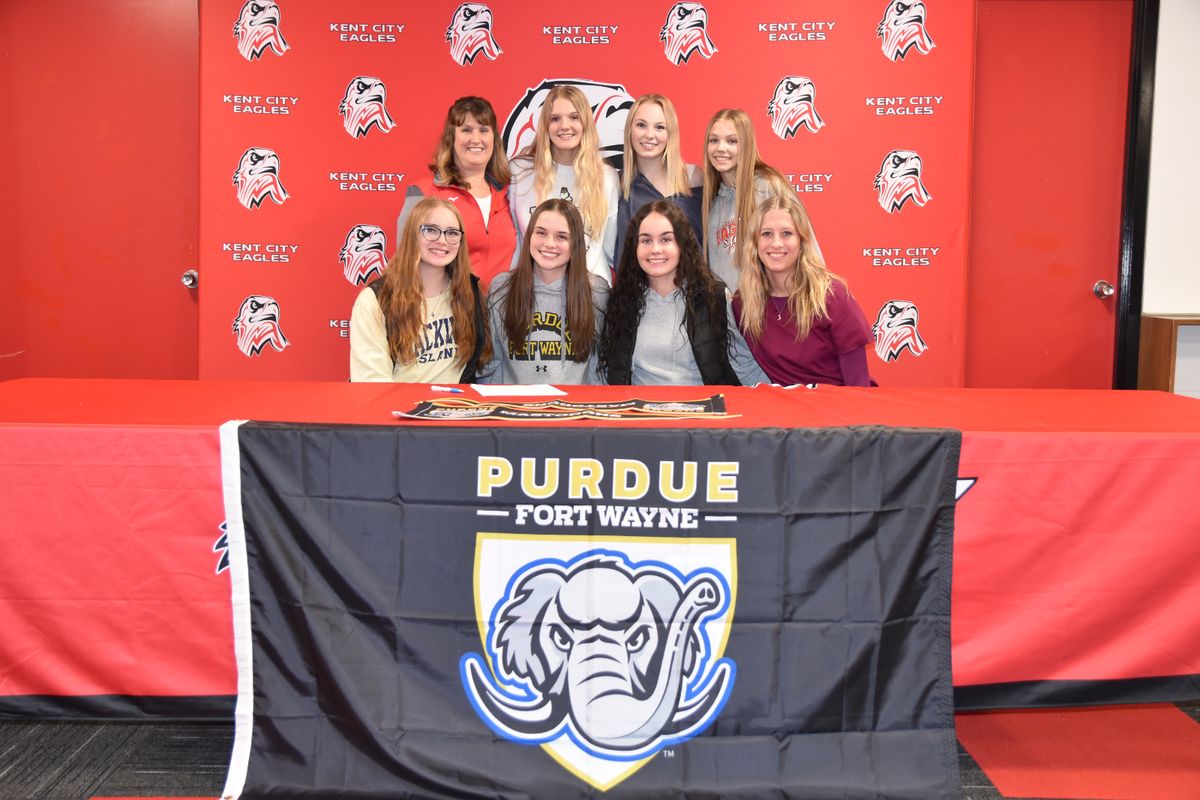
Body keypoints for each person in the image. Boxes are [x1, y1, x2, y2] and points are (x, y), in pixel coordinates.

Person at [598, 200, 766, 386]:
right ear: (634, 248)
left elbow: (744, 366)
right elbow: (608, 375)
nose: (655, 249)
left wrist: (777, 402)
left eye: (666, 239)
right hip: (641, 413)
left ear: (682, 245)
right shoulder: (620, 304)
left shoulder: (714, 300)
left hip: (702, 412)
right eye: (646, 240)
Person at [734, 196, 873, 386]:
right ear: (754, 243)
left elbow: (858, 383)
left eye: (786, 233)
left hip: (836, 407)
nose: (776, 243)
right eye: (766, 234)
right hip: (784, 411)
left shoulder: (831, 296)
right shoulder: (744, 303)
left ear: (802, 241)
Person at [351, 197, 489, 382]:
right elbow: (372, 384)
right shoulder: (376, 300)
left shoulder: (469, 292)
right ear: (412, 234)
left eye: (452, 233)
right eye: (430, 230)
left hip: (454, 408)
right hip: (397, 408)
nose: (442, 240)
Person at [480, 199, 608, 384]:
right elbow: (490, 365)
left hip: (574, 410)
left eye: (561, 236)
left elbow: (600, 368)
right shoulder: (502, 288)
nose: (549, 243)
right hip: (515, 409)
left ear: (576, 243)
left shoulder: (596, 292)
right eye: (541, 233)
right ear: (529, 236)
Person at [395, 96, 516, 292]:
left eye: (483, 130)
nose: (476, 139)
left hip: (502, 316)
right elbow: (405, 263)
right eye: (466, 130)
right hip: (448, 313)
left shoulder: (511, 194)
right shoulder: (423, 193)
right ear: (451, 138)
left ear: (494, 139)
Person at [508, 85, 619, 285]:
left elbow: (611, 247)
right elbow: (516, 241)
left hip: (589, 293)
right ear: (545, 125)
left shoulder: (607, 177)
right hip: (532, 292)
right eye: (555, 118)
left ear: (585, 123)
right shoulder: (520, 171)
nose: (564, 126)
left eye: (574, 117)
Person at [702, 108, 808, 290]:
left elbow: (807, 247)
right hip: (729, 315)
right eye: (714, 140)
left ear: (746, 144)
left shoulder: (769, 186)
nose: (721, 148)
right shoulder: (711, 202)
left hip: (772, 311)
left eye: (732, 141)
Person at [613, 94, 703, 266]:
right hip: (636, 289)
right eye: (641, 125)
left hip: (692, 288)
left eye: (659, 127)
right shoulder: (616, 183)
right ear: (629, 130)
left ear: (671, 133)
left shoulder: (694, 177)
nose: (649, 135)